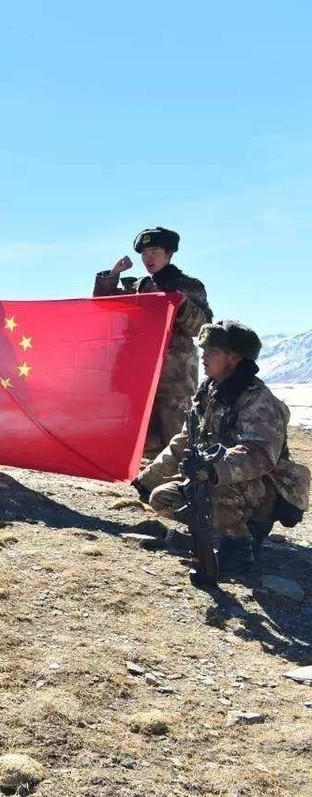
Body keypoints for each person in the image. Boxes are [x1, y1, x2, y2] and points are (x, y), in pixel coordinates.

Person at [134, 321, 310, 573]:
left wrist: (213, 469)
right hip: (221, 479)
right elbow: (186, 439)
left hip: (262, 487)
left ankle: (239, 545)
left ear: (234, 358)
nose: (203, 356)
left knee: (208, 488)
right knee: (162, 497)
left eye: (212, 351)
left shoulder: (258, 400)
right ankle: (217, 533)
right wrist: (147, 479)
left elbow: (258, 454)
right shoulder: (209, 393)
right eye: (203, 349)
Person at [94, 227, 212, 458]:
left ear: (169, 254)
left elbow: (202, 328)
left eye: (154, 251)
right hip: (140, 372)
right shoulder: (139, 287)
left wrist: (182, 304)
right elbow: (104, 304)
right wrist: (114, 273)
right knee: (141, 434)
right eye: (144, 253)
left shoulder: (189, 286)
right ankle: (150, 479)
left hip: (174, 376)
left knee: (175, 435)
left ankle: (179, 484)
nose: (148, 258)